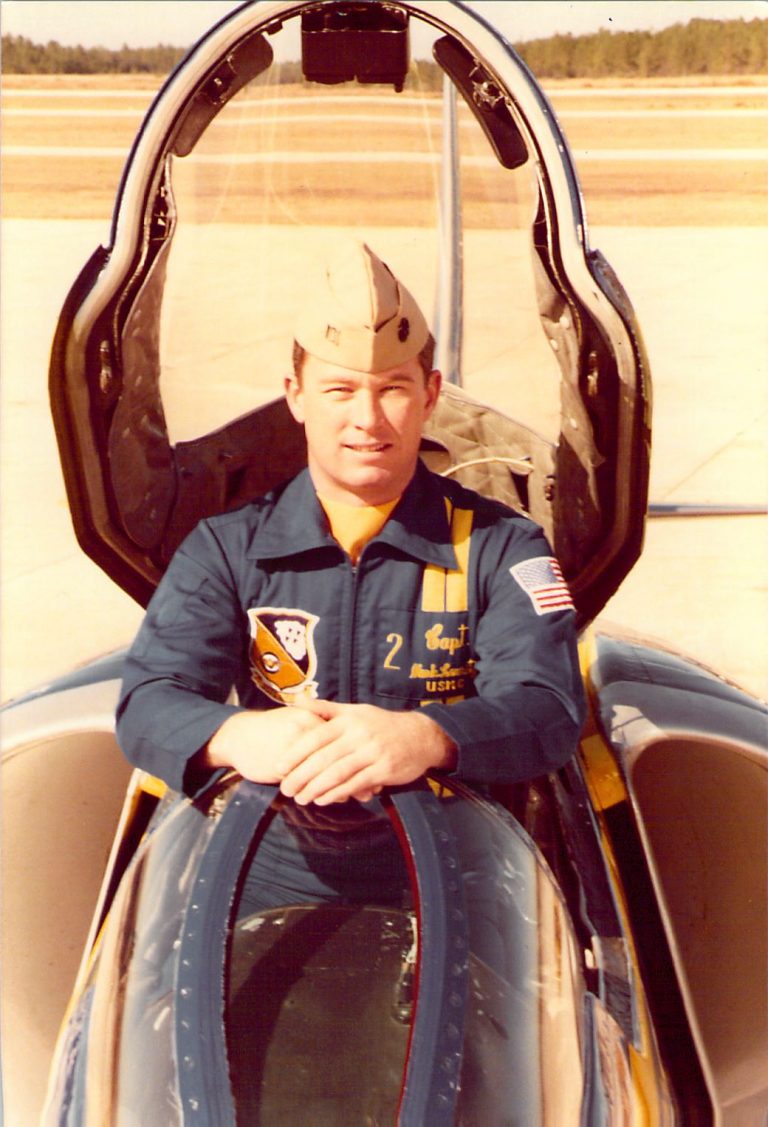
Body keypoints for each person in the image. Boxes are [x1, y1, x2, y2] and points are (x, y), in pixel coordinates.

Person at [116, 242, 586, 810]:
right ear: (296, 397)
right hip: (275, 847)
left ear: (430, 396)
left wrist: (427, 737)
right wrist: (238, 735)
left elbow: (548, 707)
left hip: (457, 845)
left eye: (393, 389)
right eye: (339, 390)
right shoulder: (226, 548)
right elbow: (148, 701)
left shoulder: (503, 547)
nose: (367, 419)